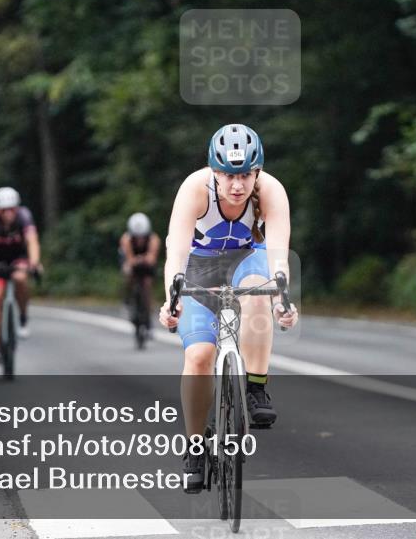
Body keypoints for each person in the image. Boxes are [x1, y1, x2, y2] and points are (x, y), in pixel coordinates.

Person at [158, 123, 299, 493]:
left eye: (245, 175)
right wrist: (171, 298)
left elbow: (277, 254)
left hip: (247, 260)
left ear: (257, 172)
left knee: (258, 291)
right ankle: (193, 448)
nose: (237, 185)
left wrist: (283, 298)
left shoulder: (271, 190)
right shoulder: (194, 188)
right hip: (200, 266)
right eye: (228, 175)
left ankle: (255, 387)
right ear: (214, 171)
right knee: (200, 356)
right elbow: (176, 251)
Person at [0, 187, 43, 364]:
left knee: (20, 278)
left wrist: (35, 261)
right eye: (3, 210)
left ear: (17, 208)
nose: (8, 213)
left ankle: (22, 316)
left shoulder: (24, 216)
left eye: (11, 209)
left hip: (18, 258)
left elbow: (32, 240)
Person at [120, 212, 161, 343]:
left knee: (147, 284)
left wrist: (142, 259)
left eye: (142, 237)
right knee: (128, 273)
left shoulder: (154, 239)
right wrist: (136, 261)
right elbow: (129, 260)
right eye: (136, 237)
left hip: (145, 263)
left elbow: (152, 259)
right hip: (133, 261)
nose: (139, 240)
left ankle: (148, 316)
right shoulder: (126, 239)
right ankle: (127, 299)